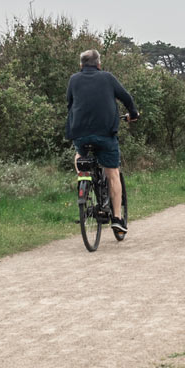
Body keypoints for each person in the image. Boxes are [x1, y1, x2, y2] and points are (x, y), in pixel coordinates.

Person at [66, 49, 139, 233]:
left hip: (80, 134)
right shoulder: (107, 78)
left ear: (81, 65)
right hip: (105, 135)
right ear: (99, 64)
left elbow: (70, 103)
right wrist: (133, 114)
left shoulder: (73, 80)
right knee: (113, 173)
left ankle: (83, 179)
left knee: (79, 155)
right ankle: (116, 218)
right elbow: (126, 98)